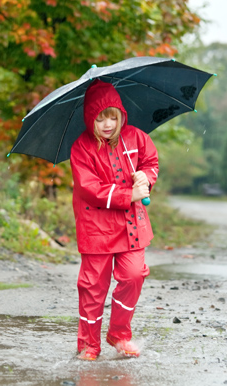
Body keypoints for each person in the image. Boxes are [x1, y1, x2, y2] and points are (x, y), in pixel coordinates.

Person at [70, 79, 159, 361]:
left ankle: (120, 334)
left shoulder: (137, 138)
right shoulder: (81, 148)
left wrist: (146, 177)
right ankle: (88, 344)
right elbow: (89, 188)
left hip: (132, 224)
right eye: (100, 118)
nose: (107, 124)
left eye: (112, 116)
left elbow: (150, 163)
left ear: (121, 114)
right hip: (96, 226)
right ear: (90, 119)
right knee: (93, 286)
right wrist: (127, 193)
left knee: (133, 275)